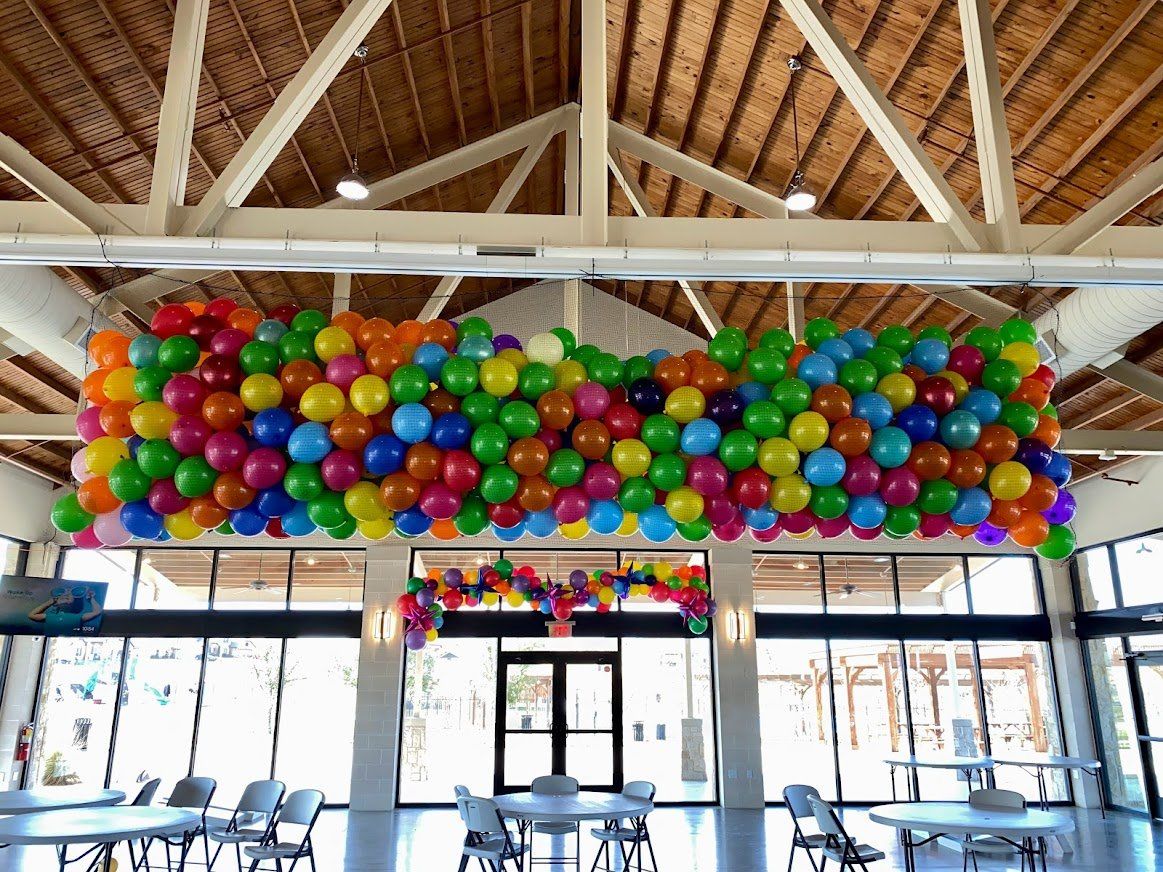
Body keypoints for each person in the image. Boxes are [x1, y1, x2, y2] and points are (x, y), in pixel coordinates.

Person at [28, 587, 103, 633]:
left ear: (75, 603)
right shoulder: (49, 616)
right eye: (62, 594)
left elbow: (97, 612)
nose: (66, 594)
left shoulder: (77, 617)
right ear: (56, 602)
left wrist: (91, 599)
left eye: (70, 594)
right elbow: (31, 615)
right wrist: (49, 602)